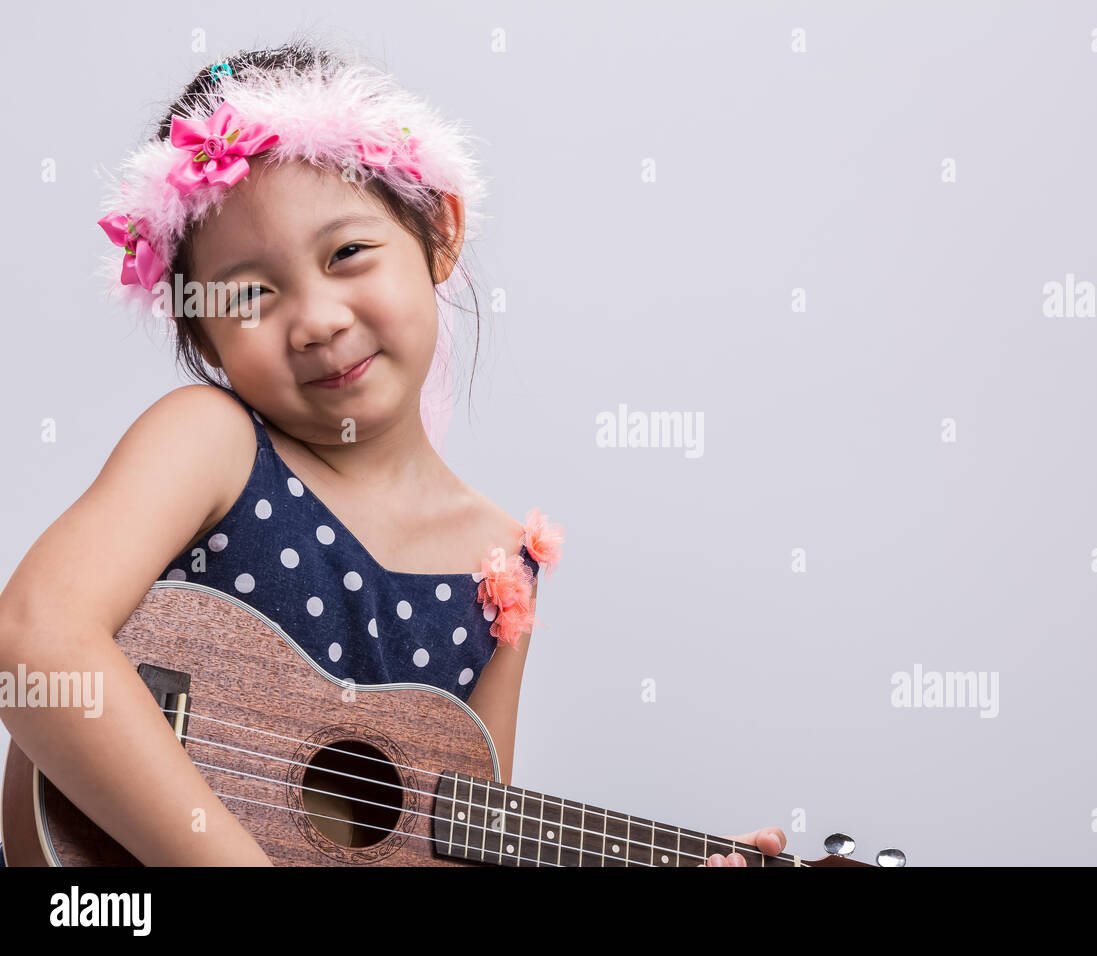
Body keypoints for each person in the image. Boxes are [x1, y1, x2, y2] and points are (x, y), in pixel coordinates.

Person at [0, 36, 784, 867]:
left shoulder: (500, 567)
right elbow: (34, 639)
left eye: (347, 254)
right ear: (202, 332)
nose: (318, 320)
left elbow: (460, 849)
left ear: (438, 232)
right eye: (249, 296)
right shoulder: (210, 444)